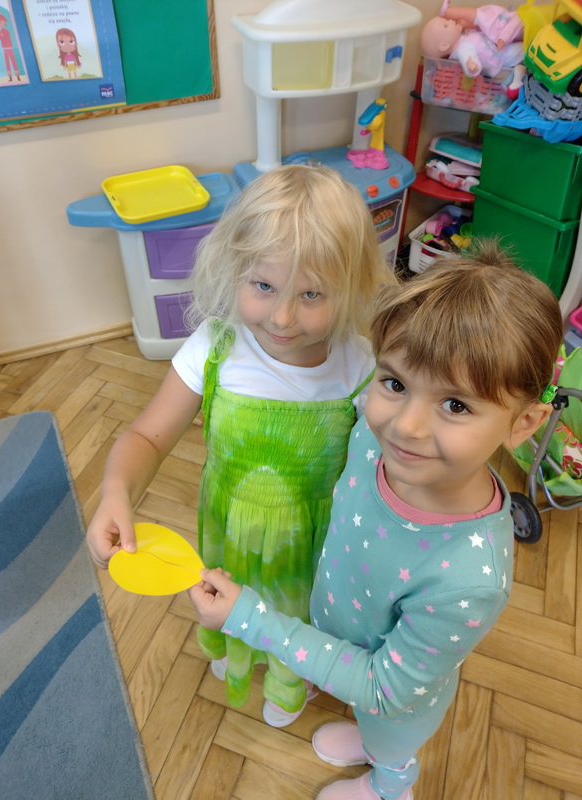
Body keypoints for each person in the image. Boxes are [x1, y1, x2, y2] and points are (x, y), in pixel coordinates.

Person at [189, 240, 563, 800]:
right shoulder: (372, 437)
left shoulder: (470, 579)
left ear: (524, 423)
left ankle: (390, 782)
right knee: (369, 720)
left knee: (389, 738)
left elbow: (387, 690)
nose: (405, 426)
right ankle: (371, 743)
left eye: (456, 405)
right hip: (344, 648)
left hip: (395, 702)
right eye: (395, 384)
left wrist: (251, 618)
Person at [85, 163, 393, 726]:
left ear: (350, 288)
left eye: (312, 294)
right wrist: (115, 491)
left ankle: (289, 681)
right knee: (228, 598)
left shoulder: (360, 367)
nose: (283, 316)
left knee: (294, 619)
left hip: (313, 546)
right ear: (234, 270)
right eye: (264, 287)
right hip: (227, 528)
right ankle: (236, 647)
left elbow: (386, 470)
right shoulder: (215, 348)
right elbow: (148, 435)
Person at [420, 3, 524, 80]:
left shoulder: (464, 37)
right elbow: (468, 59)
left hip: (498, 49)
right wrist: (471, 67)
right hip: (501, 58)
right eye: (446, 25)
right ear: (444, 45)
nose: (451, 20)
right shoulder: (462, 49)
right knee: (524, 50)